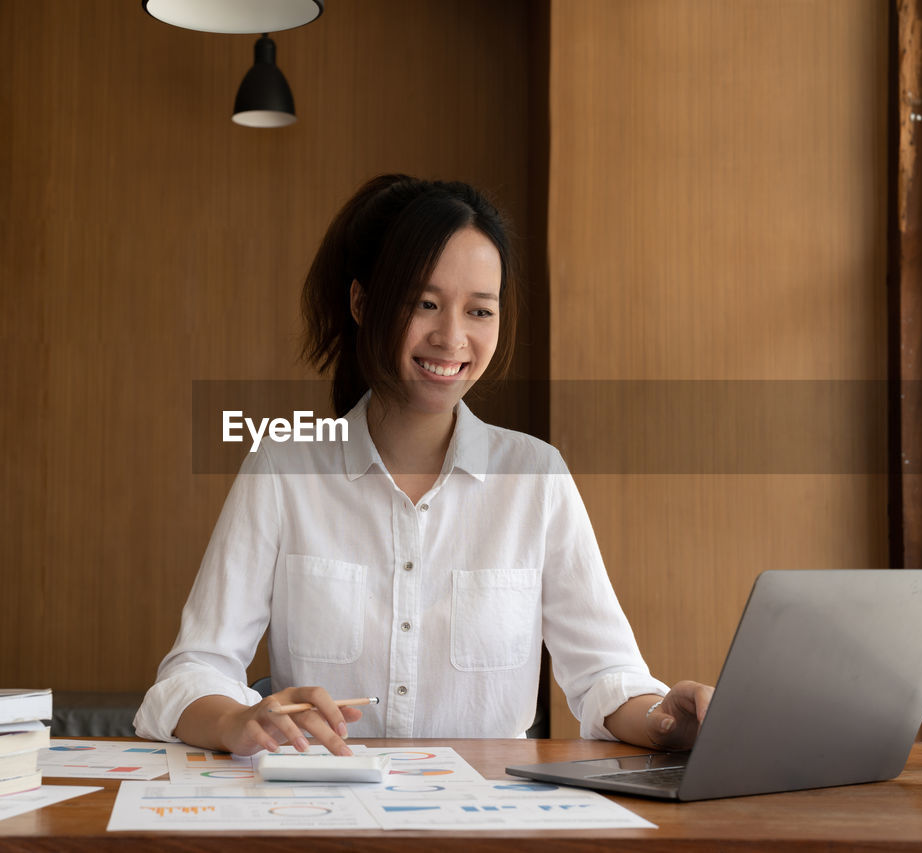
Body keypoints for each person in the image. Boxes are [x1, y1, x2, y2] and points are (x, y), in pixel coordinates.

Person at [134, 174, 712, 756]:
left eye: (480, 311)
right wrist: (237, 721)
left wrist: (669, 721)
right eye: (424, 303)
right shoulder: (283, 469)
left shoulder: (535, 476)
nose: (452, 337)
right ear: (363, 303)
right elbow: (193, 671)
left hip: (485, 824)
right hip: (322, 813)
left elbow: (606, 679)